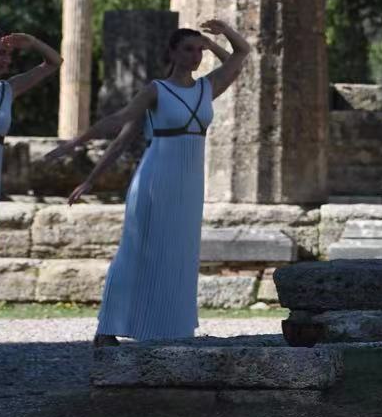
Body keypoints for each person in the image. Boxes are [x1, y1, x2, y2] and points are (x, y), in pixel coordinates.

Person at [51, 22, 250, 343]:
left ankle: (170, 329)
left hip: (189, 185)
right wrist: (77, 147)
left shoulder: (207, 88)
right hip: (155, 180)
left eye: (198, 50)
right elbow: (118, 123)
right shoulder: (156, 89)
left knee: (180, 254)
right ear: (171, 52)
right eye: (187, 49)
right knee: (137, 251)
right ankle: (108, 329)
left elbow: (241, 53)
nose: (195, 55)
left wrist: (217, 36)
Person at [0, 28, 62, 256]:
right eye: (0, 53)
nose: (6, 60)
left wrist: (32, 41)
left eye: (8, 54)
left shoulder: (6, 91)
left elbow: (54, 62)